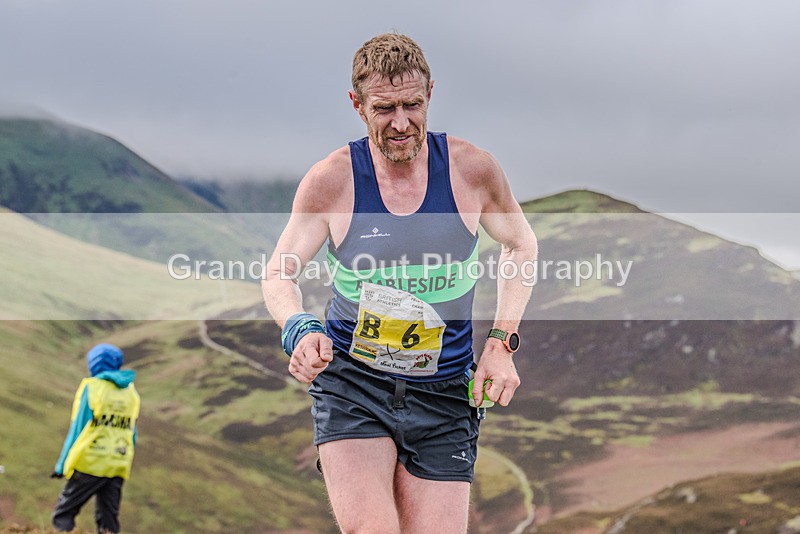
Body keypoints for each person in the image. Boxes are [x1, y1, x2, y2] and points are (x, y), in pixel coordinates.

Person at [262, 33, 537, 533]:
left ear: (430, 93)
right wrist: (298, 329)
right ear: (357, 104)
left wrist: (501, 344)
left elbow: (521, 245)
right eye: (384, 108)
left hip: (446, 391)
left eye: (412, 104)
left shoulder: (472, 171)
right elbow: (280, 271)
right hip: (353, 382)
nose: (401, 123)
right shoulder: (332, 181)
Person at [51, 343, 140, 534]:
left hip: (90, 462)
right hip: (118, 463)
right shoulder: (131, 392)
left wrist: (62, 464)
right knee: (108, 521)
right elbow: (132, 432)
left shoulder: (92, 388)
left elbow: (78, 429)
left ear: (94, 364)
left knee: (63, 514)